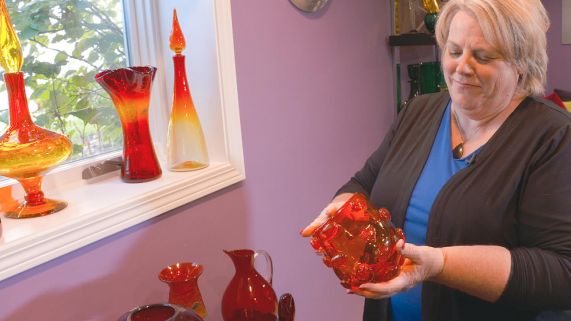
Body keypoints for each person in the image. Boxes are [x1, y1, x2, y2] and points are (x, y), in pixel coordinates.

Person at [301, 0, 571, 320]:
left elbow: (562, 272)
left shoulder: (552, 136)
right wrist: (344, 208)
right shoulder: (419, 112)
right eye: (454, 51)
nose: (462, 67)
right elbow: (365, 182)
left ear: (522, 63)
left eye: (482, 56)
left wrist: (439, 266)